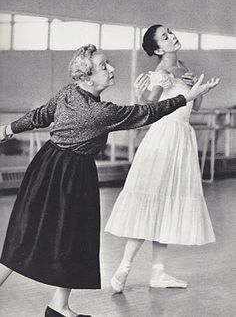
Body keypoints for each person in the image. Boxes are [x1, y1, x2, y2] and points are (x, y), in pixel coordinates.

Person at [0, 44, 218, 317]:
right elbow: (145, 114)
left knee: (69, 236)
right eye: (104, 66)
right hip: (68, 171)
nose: (111, 68)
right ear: (87, 77)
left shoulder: (69, 92)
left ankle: (59, 306)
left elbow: (40, 115)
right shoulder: (100, 113)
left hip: (53, 165)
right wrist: (187, 97)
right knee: (30, 233)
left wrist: (8, 128)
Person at [105, 25, 220, 293]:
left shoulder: (183, 66)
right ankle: (123, 268)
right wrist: (141, 94)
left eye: (170, 32)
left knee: (168, 202)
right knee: (151, 199)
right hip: (164, 138)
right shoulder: (161, 73)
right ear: (157, 49)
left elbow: (194, 106)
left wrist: (201, 90)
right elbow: (149, 108)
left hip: (183, 137)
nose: (172, 37)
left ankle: (158, 272)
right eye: (165, 37)